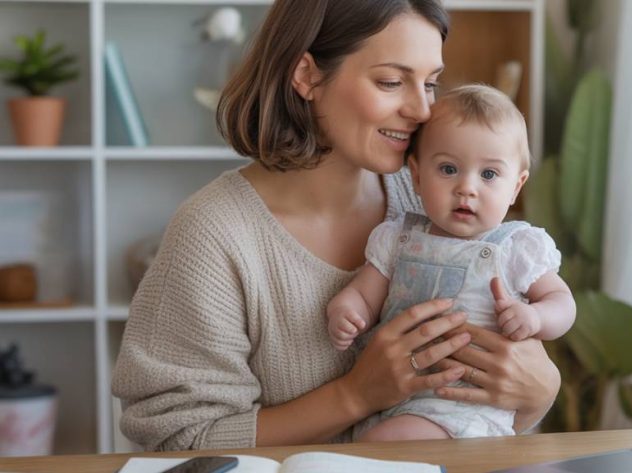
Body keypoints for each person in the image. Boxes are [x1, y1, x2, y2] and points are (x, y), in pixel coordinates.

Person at [111, 0, 560, 451]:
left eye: (430, 84)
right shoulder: (214, 235)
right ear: (306, 75)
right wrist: (355, 395)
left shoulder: (437, 197)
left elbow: (490, 415)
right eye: (391, 81)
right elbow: (178, 440)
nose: (422, 111)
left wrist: (540, 391)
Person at [327, 84, 576, 442]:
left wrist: (536, 317)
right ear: (415, 174)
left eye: (488, 175)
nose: (466, 188)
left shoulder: (516, 247)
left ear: (516, 187)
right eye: (448, 169)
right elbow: (364, 294)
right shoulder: (398, 238)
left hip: (465, 408)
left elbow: (562, 303)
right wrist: (346, 310)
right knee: (375, 442)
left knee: (380, 446)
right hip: (395, 398)